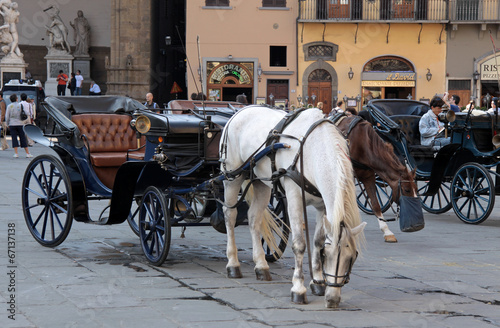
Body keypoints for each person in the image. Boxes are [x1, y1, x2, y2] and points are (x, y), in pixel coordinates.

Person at [5, 94, 32, 158]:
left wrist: (7, 123)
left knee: (14, 138)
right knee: (22, 137)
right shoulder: (20, 105)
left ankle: (16, 153)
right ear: (16, 99)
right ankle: (27, 153)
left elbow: (7, 116)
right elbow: (27, 113)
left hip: (12, 123)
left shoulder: (9, 106)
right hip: (20, 123)